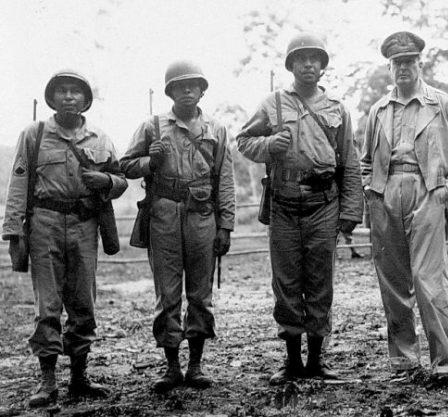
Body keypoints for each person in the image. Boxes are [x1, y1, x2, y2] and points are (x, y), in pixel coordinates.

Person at [236, 33, 363, 385]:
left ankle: (317, 362)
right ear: (290, 66)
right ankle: (292, 361)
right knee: (287, 282)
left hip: (324, 203)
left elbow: (349, 163)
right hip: (284, 204)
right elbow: (243, 141)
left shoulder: (337, 109)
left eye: (314, 59)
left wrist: (351, 209)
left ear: (323, 66)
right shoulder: (272, 104)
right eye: (301, 59)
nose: (308, 64)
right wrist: (269, 144)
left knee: (321, 282)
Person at [2, 70, 127, 407]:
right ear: (52, 98)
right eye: (62, 91)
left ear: (86, 99)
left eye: (75, 92)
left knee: (83, 302)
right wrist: (13, 231)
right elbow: (18, 183)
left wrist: (106, 181)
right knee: (48, 304)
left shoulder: (100, 138)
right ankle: (47, 381)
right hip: (45, 224)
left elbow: (120, 179)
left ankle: (79, 376)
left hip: (85, 225)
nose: (69, 96)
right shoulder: (35, 134)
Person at [360, 31, 448, 386]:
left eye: (409, 61)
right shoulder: (378, 110)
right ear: (389, 68)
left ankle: (443, 363)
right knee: (394, 282)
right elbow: (364, 160)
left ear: (420, 64)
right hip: (386, 192)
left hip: (427, 192)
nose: (403, 68)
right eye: (397, 63)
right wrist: (371, 191)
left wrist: (447, 189)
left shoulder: (442, 104)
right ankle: (405, 363)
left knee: (429, 281)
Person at [120, 60, 236, 392]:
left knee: (200, 294)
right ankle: (172, 367)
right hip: (163, 215)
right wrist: (149, 161)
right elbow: (126, 166)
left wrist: (225, 225)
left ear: (202, 90)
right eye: (180, 86)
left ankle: (196, 365)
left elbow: (224, 181)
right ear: (170, 91)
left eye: (193, 85)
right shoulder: (152, 126)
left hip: (202, 216)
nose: (187, 91)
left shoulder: (216, 129)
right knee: (167, 294)